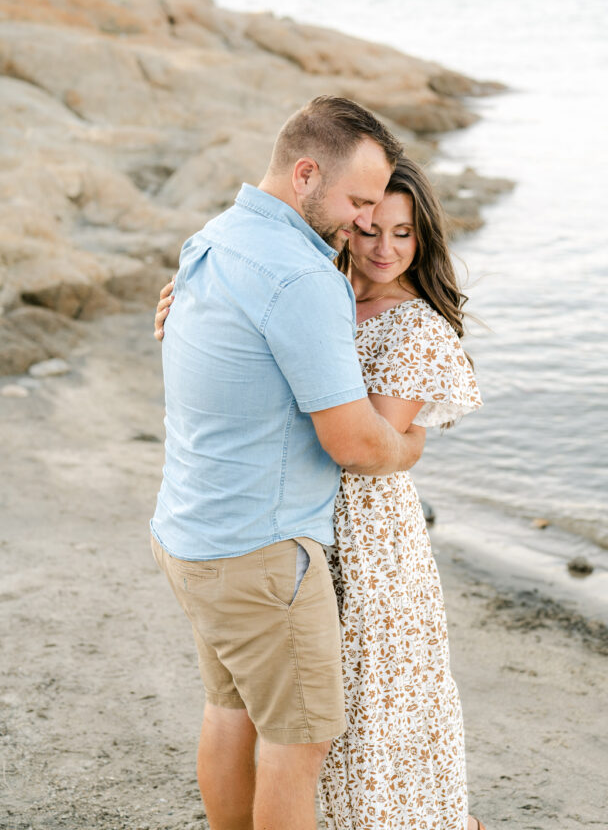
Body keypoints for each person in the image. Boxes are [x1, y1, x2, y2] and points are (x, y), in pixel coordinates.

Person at [156, 155, 488, 830]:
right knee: (297, 716)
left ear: (423, 237)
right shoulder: (316, 288)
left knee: (370, 707)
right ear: (347, 223)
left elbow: (368, 451)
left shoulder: (413, 325)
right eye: (369, 228)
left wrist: (405, 446)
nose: (383, 247)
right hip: (293, 528)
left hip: (368, 542)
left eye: (402, 233)